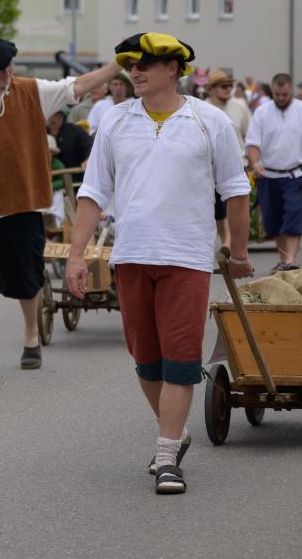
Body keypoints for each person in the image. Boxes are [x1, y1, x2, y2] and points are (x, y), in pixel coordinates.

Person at [67, 32, 252, 496]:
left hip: (186, 257)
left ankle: (167, 454)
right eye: (132, 63)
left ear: (174, 69)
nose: (135, 70)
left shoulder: (208, 120)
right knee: (146, 361)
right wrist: (76, 253)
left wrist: (241, 255)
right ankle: (176, 430)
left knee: (182, 361)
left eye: (146, 63)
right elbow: (92, 193)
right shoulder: (114, 120)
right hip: (130, 255)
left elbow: (236, 190)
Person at [0, 38, 121, 382]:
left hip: (25, 202)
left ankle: (31, 334)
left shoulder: (33, 91)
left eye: (10, 65)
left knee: (28, 278)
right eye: (2, 68)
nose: (9, 71)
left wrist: (116, 65)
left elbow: (75, 85)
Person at [245, 72, 302, 270]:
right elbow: (252, 143)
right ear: (273, 91)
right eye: (277, 94)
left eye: (285, 95)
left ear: (291, 91)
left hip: (295, 174)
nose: (281, 98)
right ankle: (283, 261)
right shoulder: (262, 112)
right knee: (274, 222)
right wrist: (255, 163)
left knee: (293, 218)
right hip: (268, 175)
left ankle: (290, 261)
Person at [205, 69, 250, 252]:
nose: (228, 89)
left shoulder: (239, 107)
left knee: (235, 204)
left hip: (239, 164)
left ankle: (230, 243)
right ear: (212, 88)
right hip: (211, 166)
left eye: (230, 86)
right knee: (218, 209)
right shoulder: (203, 108)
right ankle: (226, 241)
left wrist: (253, 161)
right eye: (224, 86)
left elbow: (249, 134)